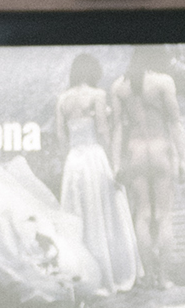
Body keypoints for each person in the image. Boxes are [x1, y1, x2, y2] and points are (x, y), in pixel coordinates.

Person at [54, 54, 139, 291]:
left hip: (74, 161)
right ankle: (110, 271)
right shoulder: (97, 95)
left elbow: (61, 135)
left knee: (77, 214)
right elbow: (102, 130)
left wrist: (68, 159)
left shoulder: (62, 99)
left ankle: (81, 272)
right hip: (94, 157)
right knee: (103, 212)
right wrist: (113, 161)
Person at [113, 61, 185, 287]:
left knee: (143, 214)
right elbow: (175, 122)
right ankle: (163, 279)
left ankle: (147, 279)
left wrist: (116, 164)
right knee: (164, 216)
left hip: (136, 151)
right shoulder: (163, 82)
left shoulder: (119, 86)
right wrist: (183, 159)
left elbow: (118, 127)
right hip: (160, 150)